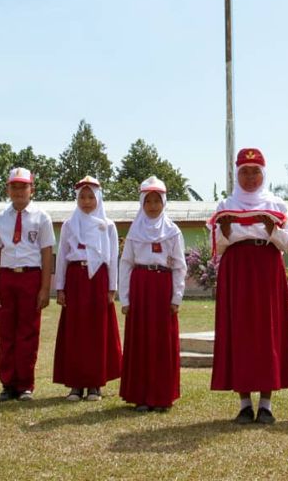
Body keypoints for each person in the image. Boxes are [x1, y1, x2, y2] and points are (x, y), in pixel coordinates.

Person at [209, 148, 288, 425]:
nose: (250, 178)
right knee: (240, 332)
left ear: (264, 173)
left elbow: (287, 243)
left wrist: (270, 229)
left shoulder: (276, 205)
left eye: (255, 172)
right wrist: (226, 232)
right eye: (245, 172)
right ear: (237, 174)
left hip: (267, 269)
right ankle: (244, 403)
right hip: (236, 270)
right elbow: (219, 246)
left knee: (268, 331)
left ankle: (266, 403)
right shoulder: (225, 205)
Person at [118, 176, 186, 412]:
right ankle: (141, 396)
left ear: (164, 202)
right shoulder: (134, 232)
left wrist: (176, 297)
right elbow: (125, 264)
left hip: (162, 288)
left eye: (157, 201)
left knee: (161, 342)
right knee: (141, 342)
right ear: (142, 203)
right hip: (140, 287)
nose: (153, 206)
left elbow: (179, 266)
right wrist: (125, 298)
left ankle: (162, 396)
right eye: (149, 201)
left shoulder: (173, 232)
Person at [0, 167, 54, 402]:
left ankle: (25, 384)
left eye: (23, 186)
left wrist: (45, 288)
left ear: (31, 189)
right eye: (14, 186)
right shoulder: (0, 219)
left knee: (28, 332)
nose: (18, 191)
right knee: (6, 333)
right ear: (8, 189)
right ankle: (7, 384)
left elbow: (47, 254)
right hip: (7, 277)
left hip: (30, 277)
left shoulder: (41, 217)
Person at [53, 176, 122, 401]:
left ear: (98, 198)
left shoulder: (108, 226)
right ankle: (75, 384)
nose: (86, 201)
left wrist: (112, 287)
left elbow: (112, 258)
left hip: (98, 279)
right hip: (75, 278)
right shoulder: (69, 225)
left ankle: (94, 384)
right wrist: (60, 287)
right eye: (82, 196)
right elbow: (62, 257)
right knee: (75, 331)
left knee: (96, 331)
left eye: (91, 196)